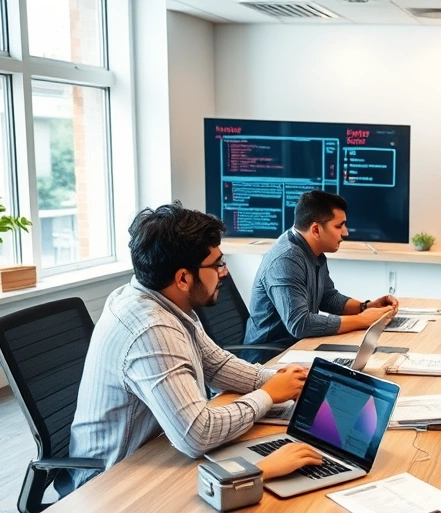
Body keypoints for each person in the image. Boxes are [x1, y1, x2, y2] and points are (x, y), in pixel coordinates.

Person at [57, 203, 322, 496]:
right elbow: (197, 434)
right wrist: (268, 395)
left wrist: (281, 380)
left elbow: (215, 364)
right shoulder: (152, 329)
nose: (224, 272)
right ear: (183, 278)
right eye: (217, 264)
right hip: (113, 484)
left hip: (158, 452)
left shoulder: (161, 298)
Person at [241, 190, 398, 362]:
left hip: (299, 348)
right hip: (270, 358)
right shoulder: (286, 259)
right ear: (316, 229)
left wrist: (365, 307)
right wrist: (362, 320)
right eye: (339, 226)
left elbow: (327, 297)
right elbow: (300, 324)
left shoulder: (313, 251)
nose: (345, 233)